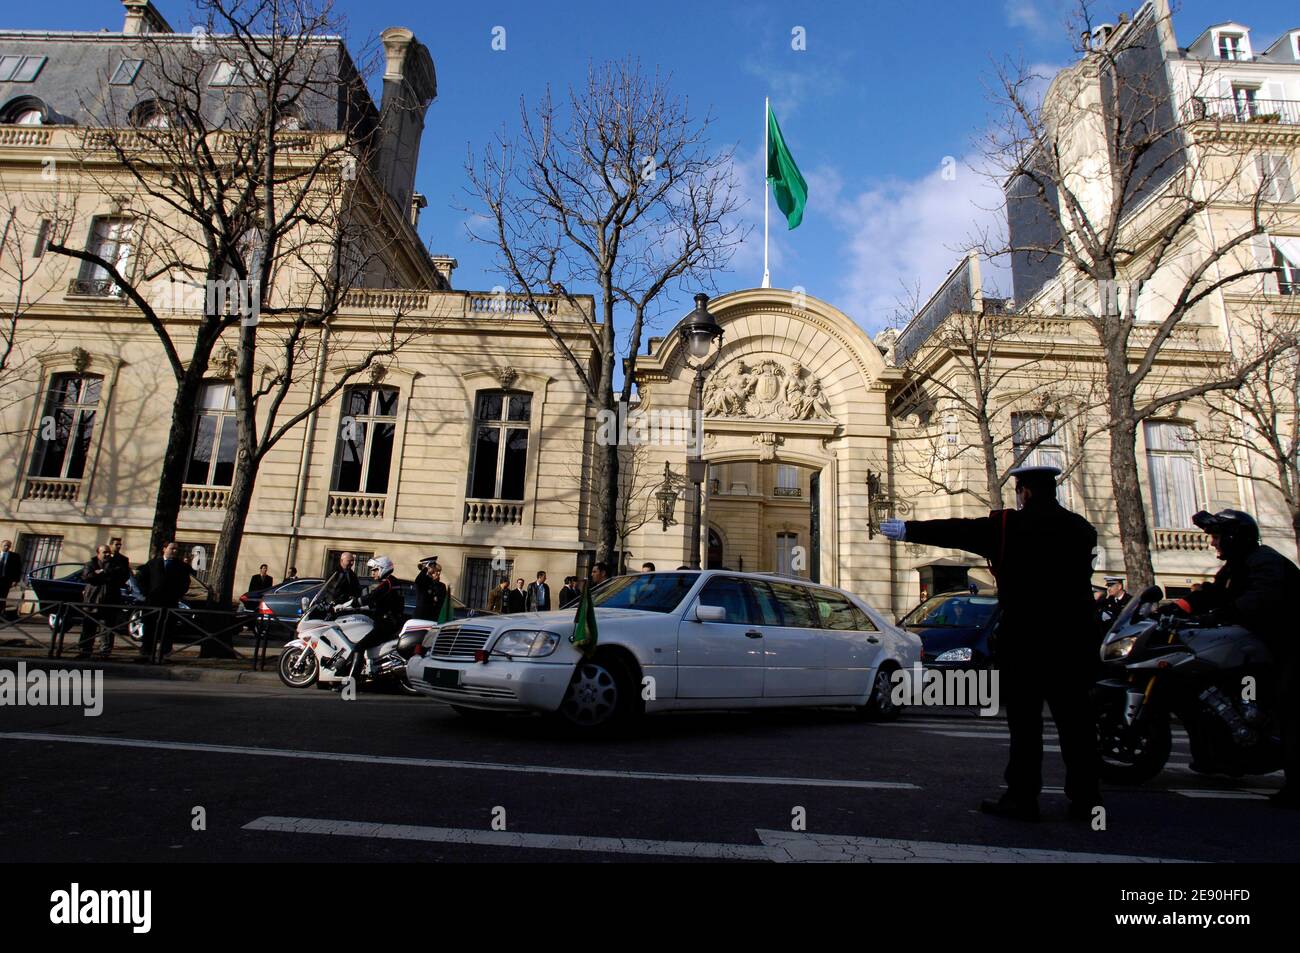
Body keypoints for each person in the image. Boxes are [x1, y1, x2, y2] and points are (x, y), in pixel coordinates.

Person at [880, 465, 1101, 821]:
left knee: (1026, 728)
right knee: (1076, 725)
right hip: (1072, 640)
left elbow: (960, 531)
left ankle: (1023, 798)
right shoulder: (1081, 529)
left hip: (1027, 638)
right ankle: (1087, 800)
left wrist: (908, 530)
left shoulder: (1008, 528)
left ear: (1024, 492)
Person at [1179, 509, 1300, 808]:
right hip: (1265, 644)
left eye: (1218, 537)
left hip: (1290, 644)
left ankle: (1297, 787)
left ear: (1234, 538)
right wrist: (1179, 606)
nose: (1213, 544)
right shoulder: (1238, 565)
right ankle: (1216, 757)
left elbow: (1259, 600)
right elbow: (1213, 593)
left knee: (1289, 704)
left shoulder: (1264, 562)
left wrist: (1220, 615)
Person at [342, 556, 405, 679]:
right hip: (390, 621)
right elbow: (379, 602)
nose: (372, 573)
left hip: (385, 623)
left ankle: (351, 682)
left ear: (382, 569)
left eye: (375, 570)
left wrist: (349, 604)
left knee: (358, 647)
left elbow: (372, 597)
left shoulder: (387, 583)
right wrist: (360, 608)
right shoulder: (393, 582)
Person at [134, 542, 193, 662]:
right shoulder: (153, 563)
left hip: (170, 603)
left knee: (167, 630)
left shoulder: (181, 566)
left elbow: (185, 584)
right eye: (172, 548)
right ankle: (146, 653)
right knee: (150, 629)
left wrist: (177, 594)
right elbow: (140, 579)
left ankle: (164, 655)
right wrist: (147, 593)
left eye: (177, 549)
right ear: (164, 549)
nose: (175, 551)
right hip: (152, 603)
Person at [77, 544, 112, 659]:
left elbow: (118, 576)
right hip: (92, 599)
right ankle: (84, 651)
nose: (107, 554)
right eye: (104, 552)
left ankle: (104, 652)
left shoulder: (113, 564)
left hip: (107, 600)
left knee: (106, 629)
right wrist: (101, 573)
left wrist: (100, 572)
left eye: (108, 552)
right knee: (88, 628)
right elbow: (87, 577)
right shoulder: (91, 564)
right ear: (98, 553)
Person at [102, 539, 132, 658]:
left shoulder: (123, 560)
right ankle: (86, 649)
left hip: (113, 593)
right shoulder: (102, 557)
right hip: (99, 594)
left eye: (120, 545)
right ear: (110, 545)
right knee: (93, 622)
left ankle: (106, 649)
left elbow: (124, 575)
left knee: (110, 623)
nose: (118, 546)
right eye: (116, 544)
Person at [0, 539, 23, 616]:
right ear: (1, 545)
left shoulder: (15, 556)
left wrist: (16, 580)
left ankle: (1, 614)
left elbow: (18, 569)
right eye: (5, 545)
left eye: (8, 546)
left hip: (6, 580)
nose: (6, 547)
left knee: (2, 597)